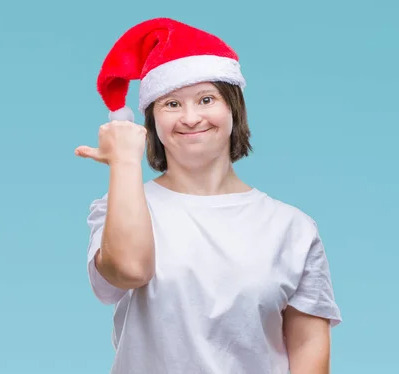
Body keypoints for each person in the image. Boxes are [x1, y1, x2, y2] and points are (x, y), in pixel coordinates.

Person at [75, 17, 342, 374]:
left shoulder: (293, 228)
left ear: (233, 109)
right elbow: (128, 270)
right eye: (171, 104)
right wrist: (124, 161)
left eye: (206, 99)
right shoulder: (120, 208)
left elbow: (309, 347)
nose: (190, 117)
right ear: (151, 121)